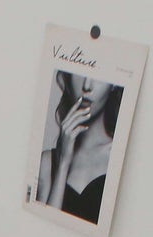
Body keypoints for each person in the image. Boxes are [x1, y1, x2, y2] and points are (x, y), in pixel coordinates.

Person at [35, 72, 122, 223]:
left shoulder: (120, 159)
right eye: (81, 74)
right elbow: (43, 232)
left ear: (114, 84)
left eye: (98, 76)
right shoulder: (47, 162)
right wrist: (63, 164)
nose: (87, 86)